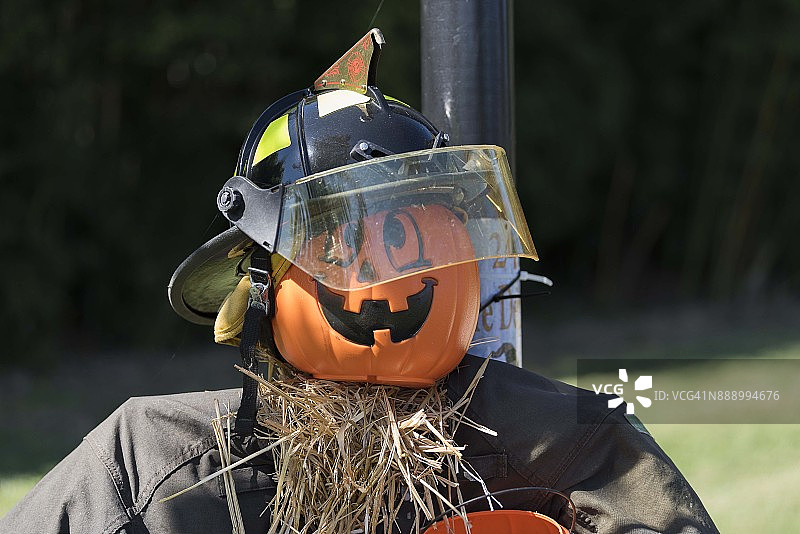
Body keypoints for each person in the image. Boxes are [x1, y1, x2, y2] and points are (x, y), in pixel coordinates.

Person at [0, 30, 719, 534]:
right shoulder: (151, 463)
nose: (382, 273)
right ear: (261, 283)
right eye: (337, 242)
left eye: (408, 234)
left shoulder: (573, 445)